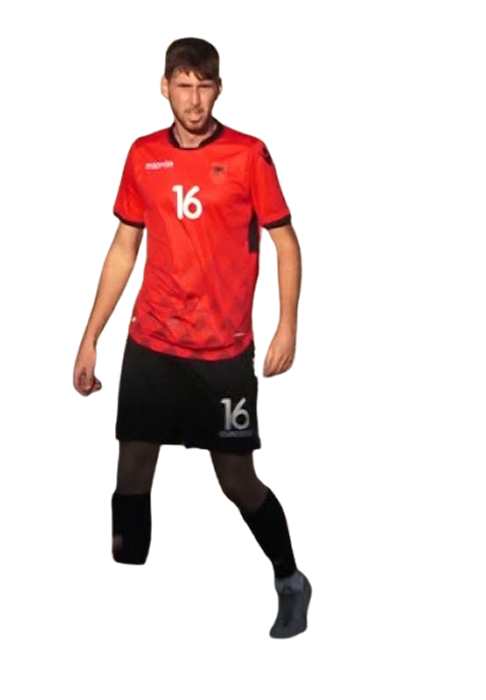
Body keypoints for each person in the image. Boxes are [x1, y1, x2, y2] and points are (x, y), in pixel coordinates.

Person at [72, 37, 310, 640]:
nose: (194, 99)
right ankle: (128, 582)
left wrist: (286, 325)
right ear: (164, 88)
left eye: (205, 86)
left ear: (219, 90)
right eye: (183, 85)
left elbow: (286, 243)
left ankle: (289, 579)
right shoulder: (142, 153)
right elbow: (124, 248)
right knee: (132, 464)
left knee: (235, 478)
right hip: (152, 343)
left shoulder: (250, 153)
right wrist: (90, 337)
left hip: (222, 354)